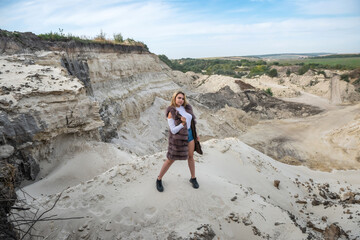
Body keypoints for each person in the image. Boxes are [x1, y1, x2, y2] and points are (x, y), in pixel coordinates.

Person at [156, 91, 200, 192]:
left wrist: (195, 134)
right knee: (171, 159)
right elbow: (173, 130)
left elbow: (192, 122)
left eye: (183, 98)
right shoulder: (171, 112)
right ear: (174, 98)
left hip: (190, 135)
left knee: (191, 157)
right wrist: (183, 124)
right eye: (179, 98)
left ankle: (193, 178)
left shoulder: (186, 108)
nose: (181, 100)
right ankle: (159, 179)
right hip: (178, 139)